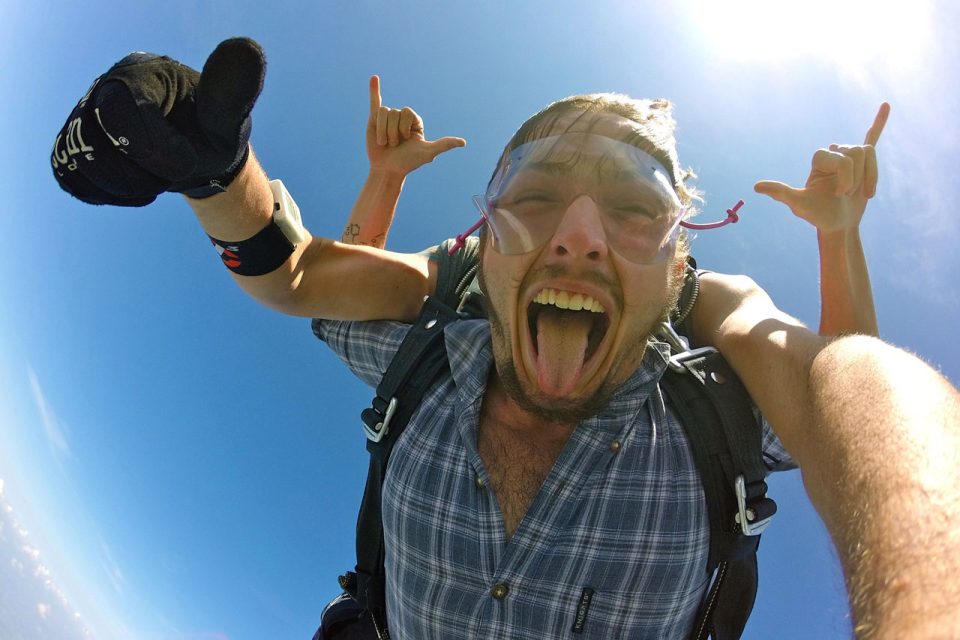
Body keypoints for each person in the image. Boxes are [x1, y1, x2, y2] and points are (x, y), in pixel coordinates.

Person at [51, 39, 959, 638]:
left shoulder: (714, 386)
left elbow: (854, 404)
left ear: (681, 269)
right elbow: (297, 276)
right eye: (534, 196)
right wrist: (215, 171)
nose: (580, 235)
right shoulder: (433, 336)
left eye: (637, 210)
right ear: (483, 246)